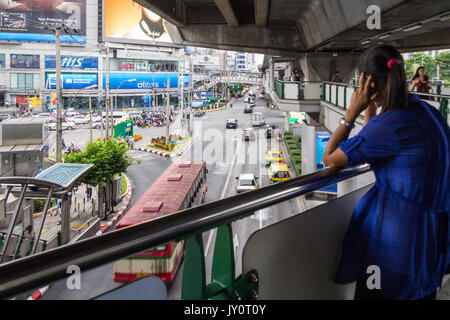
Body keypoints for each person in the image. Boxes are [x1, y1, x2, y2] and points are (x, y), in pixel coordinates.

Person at [322, 45, 449, 300]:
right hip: (429, 244)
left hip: (394, 244)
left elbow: (329, 157)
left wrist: (352, 112)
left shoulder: (391, 125)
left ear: (367, 84)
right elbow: (373, 137)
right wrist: (371, 108)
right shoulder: (429, 113)